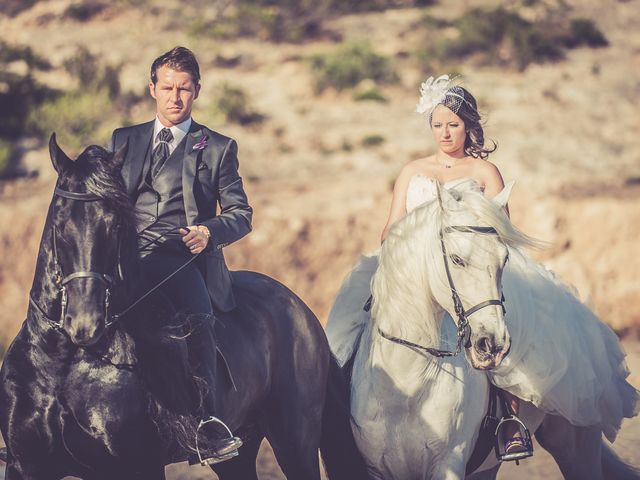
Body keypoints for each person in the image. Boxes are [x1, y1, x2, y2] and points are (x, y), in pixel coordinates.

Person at [327, 75, 639, 460]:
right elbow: (391, 226)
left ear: (468, 126)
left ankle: (509, 422)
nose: (445, 133)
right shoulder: (411, 170)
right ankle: (335, 402)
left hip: (474, 269)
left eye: (453, 125)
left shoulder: (484, 172)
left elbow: (500, 235)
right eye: (438, 124)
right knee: (348, 320)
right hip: (416, 270)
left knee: (498, 331)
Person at [110, 46, 252, 465]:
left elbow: (242, 213)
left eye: (184, 89)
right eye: (168, 87)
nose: (175, 97)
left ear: (197, 91)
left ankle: (208, 424)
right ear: (152, 89)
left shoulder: (218, 147)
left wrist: (210, 231)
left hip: (182, 261)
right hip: (125, 260)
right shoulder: (124, 139)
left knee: (199, 325)